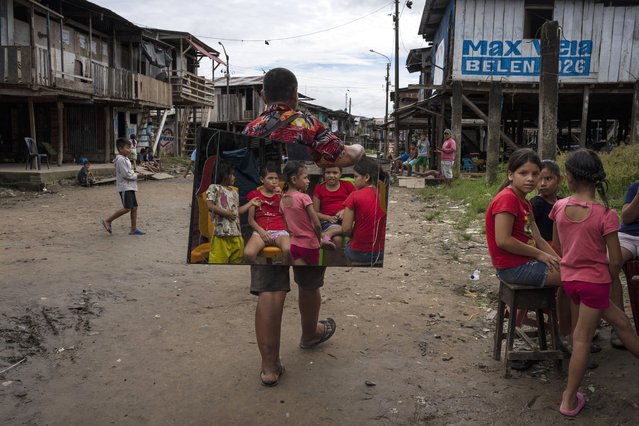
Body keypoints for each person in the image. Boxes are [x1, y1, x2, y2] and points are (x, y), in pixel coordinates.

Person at [243, 67, 364, 386]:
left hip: (268, 220)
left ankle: (270, 368)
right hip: (304, 220)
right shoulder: (309, 124)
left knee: (269, 288)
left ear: (263, 97)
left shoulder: (252, 127)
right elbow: (345, 156)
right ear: (295, 95)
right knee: (309, 281)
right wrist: (359, 151)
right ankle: (310, 335)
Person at [550, 149, 639, 417]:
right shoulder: (605, 214)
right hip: (594, 284)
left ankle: (569, 396)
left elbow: (557, 246)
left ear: (570, 178)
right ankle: (568, 400)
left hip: (571, 282)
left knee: (621, 322)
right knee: (582, 340)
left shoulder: (559, 206)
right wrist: (606, 279)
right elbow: (614, 260)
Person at [206, 160, 262, 264]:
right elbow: (209, 206)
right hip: (221, 235)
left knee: (237, 263)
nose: (234, 177)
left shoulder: (234, 192)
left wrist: (251, 203)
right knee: (218, 264)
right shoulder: (214, 187)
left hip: (237, 236)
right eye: (232, 174)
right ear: (224, 174)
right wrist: (225, 213)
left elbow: (237, 211)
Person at [609, 176, 639, 349]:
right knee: (608, 265)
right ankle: (619, 324)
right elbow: (627, 218)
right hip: (627, 236)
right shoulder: (635, 187)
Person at [341, 156, 386, 266]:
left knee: (346, 248)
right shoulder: (385, 193)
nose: (354, 180)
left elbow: (346, 229)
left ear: (366, 177)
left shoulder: (354, 195)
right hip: (382, 252)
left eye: (356, 176)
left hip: (359, 253)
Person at [243, 162, 291, 264]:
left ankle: (281, 274)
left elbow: (289, 215)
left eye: (276, 178)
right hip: (261, 231)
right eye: (270, 178)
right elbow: (250, 220)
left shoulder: (283, 195)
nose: (274, 181)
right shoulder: (254, 195)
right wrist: (261, 231)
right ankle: (263, 273)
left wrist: (282, 197)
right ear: (262, 179)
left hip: (279, 231)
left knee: (288, 250)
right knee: (248, 254)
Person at [279, 161, 323, 266]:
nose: (308, 181)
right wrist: (319, 239)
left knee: (301, 277)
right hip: (310, 245)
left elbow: (286, 225)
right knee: (313, 277)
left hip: (294, 245)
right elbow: (317, 224)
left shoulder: (282, 200)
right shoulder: (304, 197)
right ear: (294, 179)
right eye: (305, 178)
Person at [100, 138, 145, 235]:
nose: (130, 150)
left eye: (130, 148)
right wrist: (136, 175)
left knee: (134, 207)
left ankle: (133, 229)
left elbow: (128, 172)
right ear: (120, 149)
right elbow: (126, 175)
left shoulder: (126, 159)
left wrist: (135, 173)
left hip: (130, 186)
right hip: (125, 187)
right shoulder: (120, 160)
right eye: (127, 148)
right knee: (127, 208)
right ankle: (108, 221)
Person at [312, 165, 356, 264]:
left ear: (340, 174)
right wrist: (328, 217)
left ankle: (327, 235)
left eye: (335, 173)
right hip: (330, 222)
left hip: (347, 219)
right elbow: (315, 212)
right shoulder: (319, 188)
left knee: (352, 228)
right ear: (323, 174)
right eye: (328, 172)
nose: (331, 175)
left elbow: (357, 202)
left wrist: (345, 210)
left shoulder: (347, 185)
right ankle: (332, 266)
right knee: (337, 240)